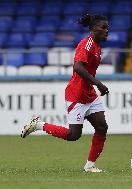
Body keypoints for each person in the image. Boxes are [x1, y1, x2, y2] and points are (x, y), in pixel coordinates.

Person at [21, 14, 110, 173]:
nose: (106, 30)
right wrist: (99, 84)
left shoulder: (97, 46)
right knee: (73, 135)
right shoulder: (87, 44)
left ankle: (90, 165)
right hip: (76, 94)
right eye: (103, 27)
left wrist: (94, 86)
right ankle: (39, 125)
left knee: (102, 127)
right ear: (92, 29)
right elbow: (78, 67)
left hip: (89, 93)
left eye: (107, 27)